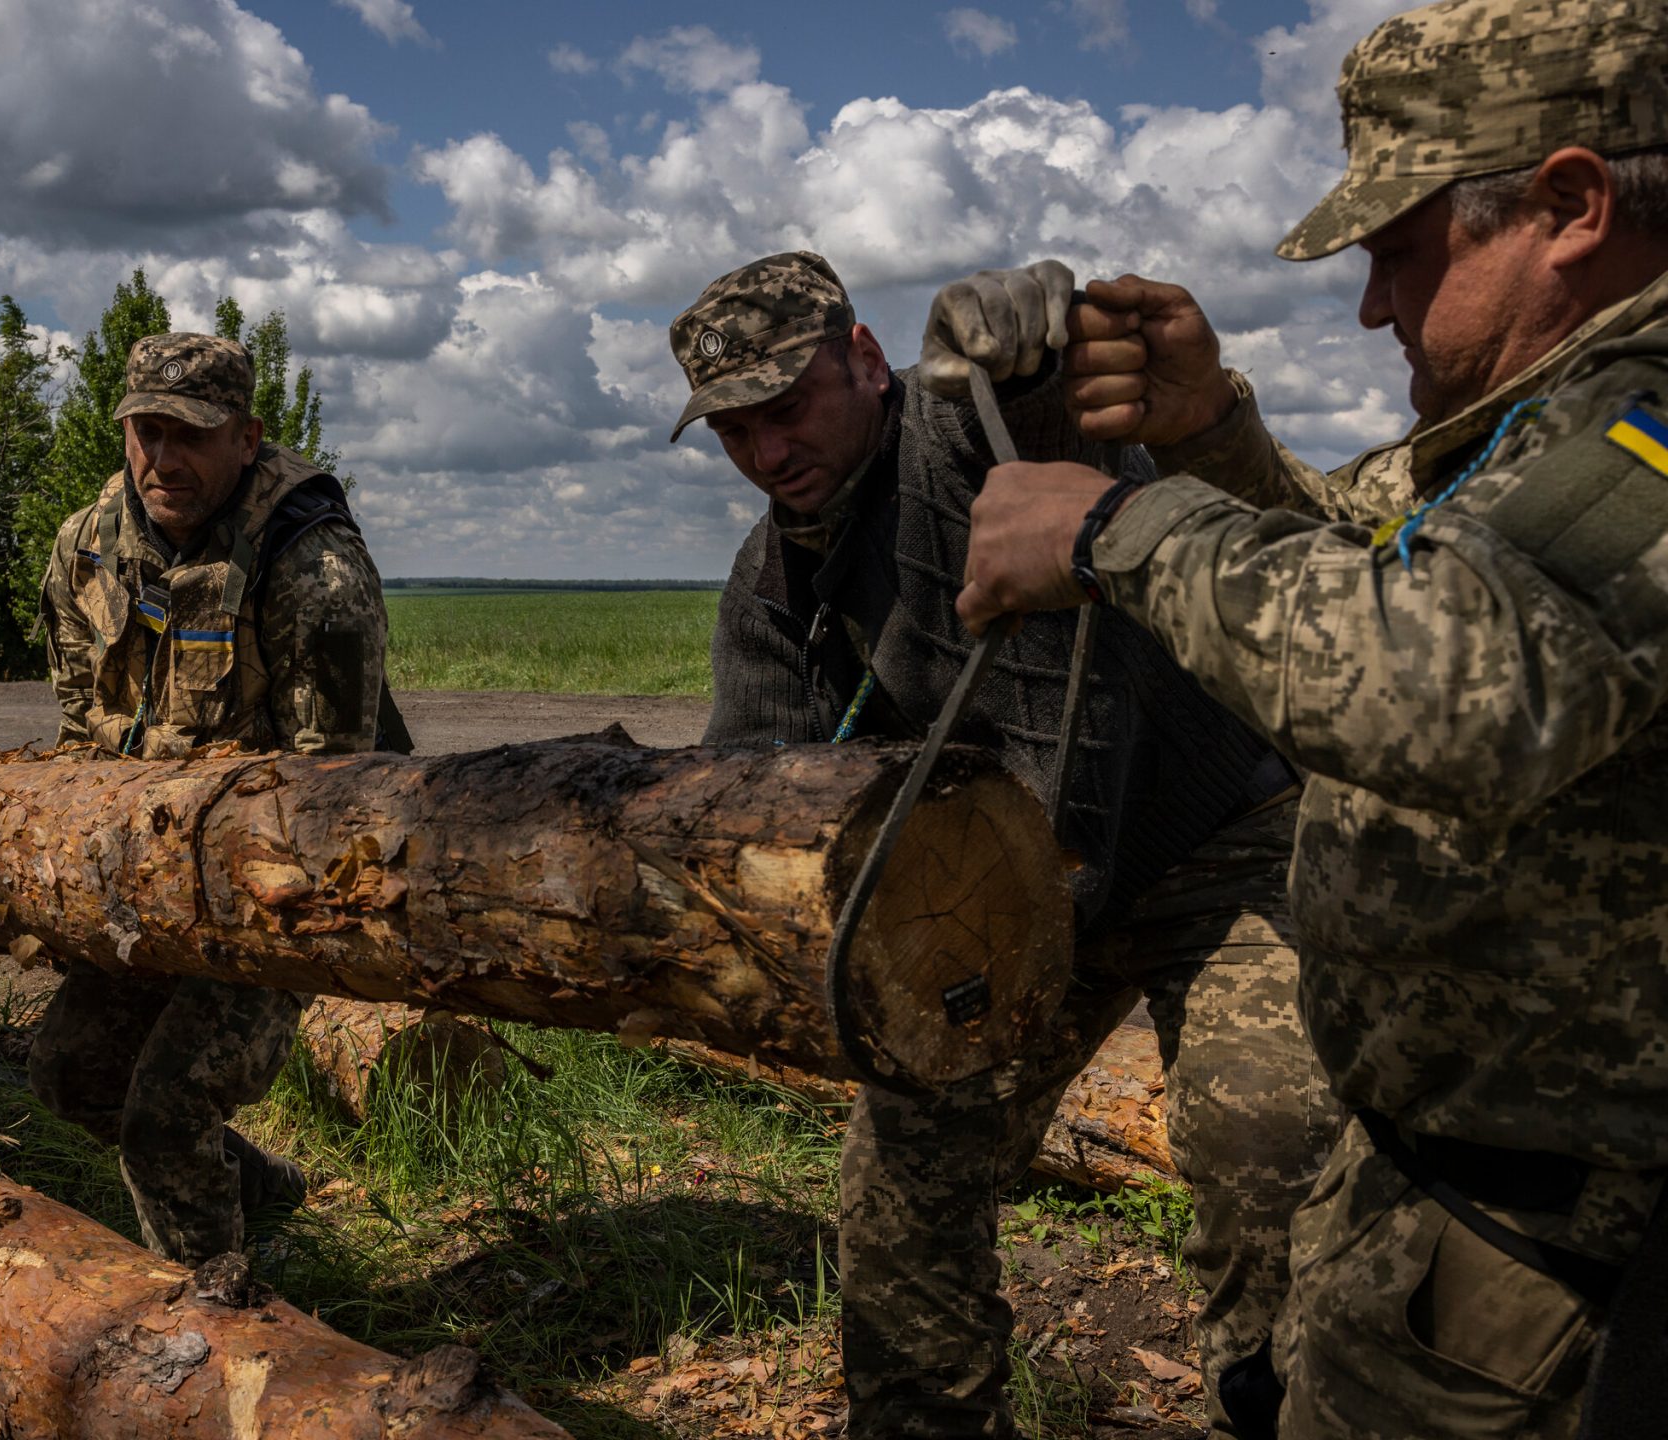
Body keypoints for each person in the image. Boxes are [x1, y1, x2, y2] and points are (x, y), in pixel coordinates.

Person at [954, 2, 1668, 1433]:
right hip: (1448, 1192)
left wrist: (1122, 530)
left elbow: (1460, 681)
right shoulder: (1543, 428)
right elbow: (1375, 562)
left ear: (1569, 206)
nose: (1371, 307)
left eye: (1399, 252)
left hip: (1552, 1252)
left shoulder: (1647, 425)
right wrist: (1213, 433)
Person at [672, 251, 1339, 1438]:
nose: (766, 453)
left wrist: (1019, 359)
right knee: (901, 1175)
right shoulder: (773, 585)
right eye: (731, 430)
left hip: (1216, 841)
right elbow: (755, 803)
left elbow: (1027, 420)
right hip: (1013, 895)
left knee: (1267, 1146)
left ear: (866, 362)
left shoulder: (953, 439)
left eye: (786, 408)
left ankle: (1285, 1417)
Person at [28, 331, 387, 1263]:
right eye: (144, 432)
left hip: (272, 890)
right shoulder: (86, 548)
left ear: (249, 438)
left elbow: (330, 802)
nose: (162, 458)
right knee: (67, 1073)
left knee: (164, 1113)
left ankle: (216, 1316)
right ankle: (254, 1188)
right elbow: (80, 731)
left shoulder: (315, 569)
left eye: (191, 434)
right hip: (140, 870)